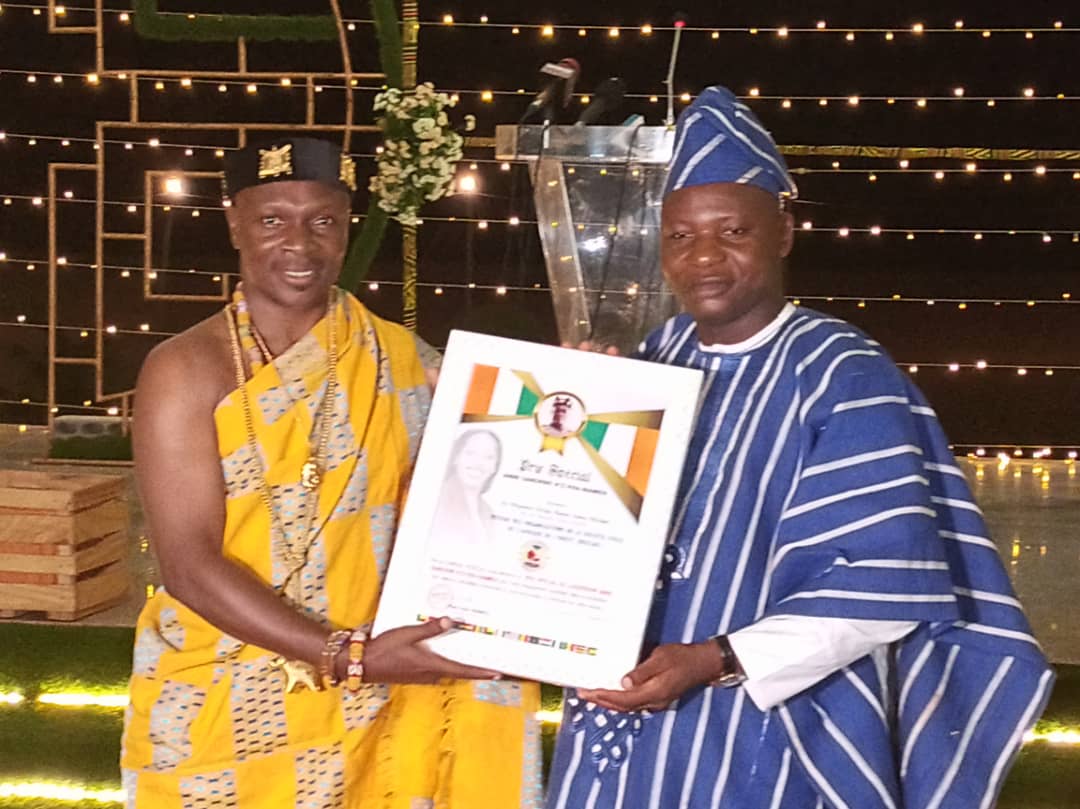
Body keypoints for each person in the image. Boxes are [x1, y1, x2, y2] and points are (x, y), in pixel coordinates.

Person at [545, 87, 1052, 809]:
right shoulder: (657, 358)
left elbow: (885, 589)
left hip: (767, 727)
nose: (704, 256)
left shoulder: (844, 376)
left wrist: (716, 659)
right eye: (681, 236)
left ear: (782, 232)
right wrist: (577, 414)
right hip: (619, 712)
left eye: (732, 231)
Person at [121, 137, 541, 808]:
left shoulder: (404, 360)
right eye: (272, 220)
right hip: (222, 697)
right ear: (234, 224)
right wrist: (346, 655)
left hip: (375, 706)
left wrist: (577, 397)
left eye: (323, 221)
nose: (300, 242)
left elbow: (507, 463)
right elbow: (188, 565)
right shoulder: (184, 369)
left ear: (347, 230)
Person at [432, 429, 501, 547]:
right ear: (456, 458)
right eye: (470, 453)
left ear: (495, 466)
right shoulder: (435, 498)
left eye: (488, 457)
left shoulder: (487, 511)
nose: (478, 463)